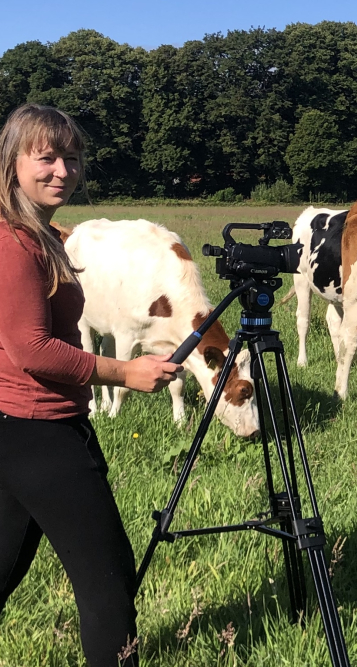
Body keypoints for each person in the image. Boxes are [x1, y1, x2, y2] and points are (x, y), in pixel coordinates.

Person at [0, 104, 182, 666]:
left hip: (20, 428)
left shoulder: (40, 234)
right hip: (39, 429)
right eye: (47, 157)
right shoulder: (15, 244)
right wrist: (126, 372)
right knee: (109, 581)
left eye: (73, 158)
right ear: (12, 161)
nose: (63, 170)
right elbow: (31, 349)